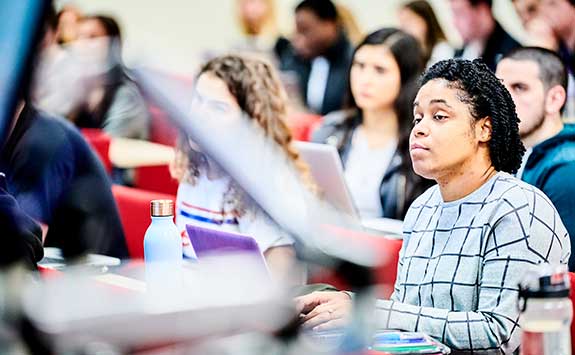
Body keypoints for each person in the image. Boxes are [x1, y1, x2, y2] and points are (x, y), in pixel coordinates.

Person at [296, 59, 570, 353]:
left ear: (484, 129)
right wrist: (345, 307)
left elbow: (499, 335)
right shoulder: (422, 208)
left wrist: (374, 311)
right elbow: (408, 323)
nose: (419, 130)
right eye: (417, 118)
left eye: (439, 116)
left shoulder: (518, 208)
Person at [171, 55, 315, 284]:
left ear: (252, 122)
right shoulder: (195, 168)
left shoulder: (271, 185)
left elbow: (285, 286)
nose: (199, 114)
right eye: (197, 100)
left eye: (218, 108)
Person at [312, 28, 433, 219]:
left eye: (380, 70)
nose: (364, 80)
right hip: (334, 240)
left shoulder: (424, 139)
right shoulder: (329, 130)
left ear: (406, 78)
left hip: (395, 245)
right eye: (359, 66)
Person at [496, 46, 575, 270]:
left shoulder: (566, 171)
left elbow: (560, 273)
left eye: (519, 88)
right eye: (499, 88)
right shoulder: (509, 156)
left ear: (555, 99)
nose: (503, 99)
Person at [70, 15, 150, 140]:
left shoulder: (127, 96)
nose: (81, 44)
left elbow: (106, 146)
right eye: (78, 37)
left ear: (113, 45)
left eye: (92, 37)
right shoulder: (78, 89)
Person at [274, 0, 353, 115]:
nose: (297, 39)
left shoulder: (351, 62)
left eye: (305, 30)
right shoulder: (293, 58)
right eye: (296, 31)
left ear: (329, 25)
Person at [450, 0, 521, 71]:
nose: (454, 23)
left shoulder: (511, 54)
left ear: (482, 10)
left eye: (459, 13)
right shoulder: (460, 53)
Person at [398, 0, 454, 67]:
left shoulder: (442, 49)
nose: (403, 28)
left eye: (409, 21)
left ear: (426, 21)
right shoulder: (410, 53)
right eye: (402, 22)